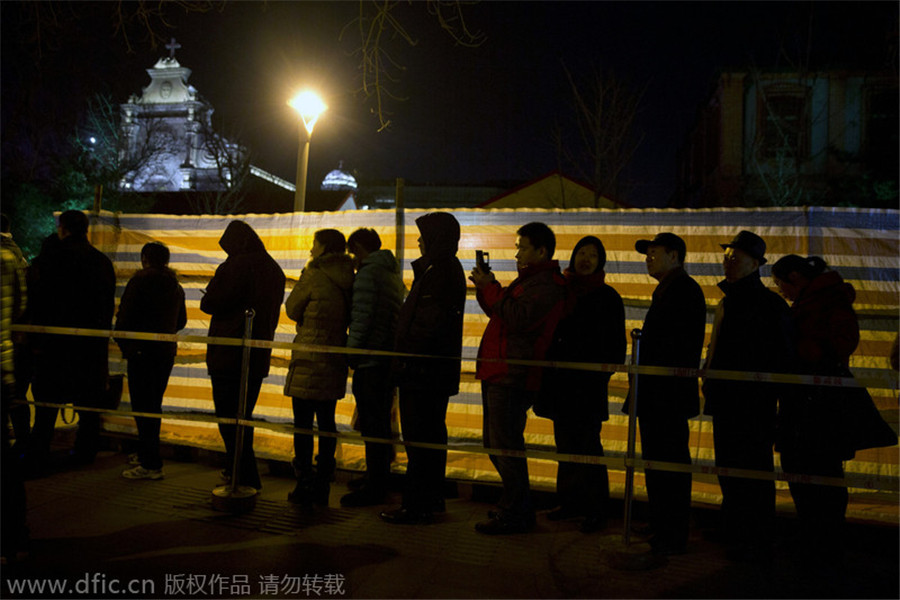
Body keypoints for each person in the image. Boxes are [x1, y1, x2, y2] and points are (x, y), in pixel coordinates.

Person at [702, 230, 793, 563]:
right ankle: (735, 526)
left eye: (735, 257)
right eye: (726, 256)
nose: (728, 262)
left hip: (754, 404)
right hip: (727, 399)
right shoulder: (729, 301)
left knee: (752, 468)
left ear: (755, 264)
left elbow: (782, 355)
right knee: (728, 465)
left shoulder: (769, 304)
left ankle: (757, 534)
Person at [469, 221, 566, 534]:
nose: (517, 253)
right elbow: (503, 312)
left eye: (523, 247)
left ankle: (517, 511)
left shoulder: (547, 283)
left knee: (506, 445)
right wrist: (488, 288)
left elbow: (519, 318)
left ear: (541, 250)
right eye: (517, 247)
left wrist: (491, 289)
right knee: (497, 443)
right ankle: (514, 505)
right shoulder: (531, 280)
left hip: (514, 374)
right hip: (500, 370)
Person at [771, 255, 866, 565]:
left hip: (820, 402)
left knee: (821, 471)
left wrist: (806, 350)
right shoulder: (818, 299)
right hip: (806, 399)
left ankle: (825, 542)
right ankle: (815, 537)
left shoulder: (828, 301)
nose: (781, 290)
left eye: (781, 283)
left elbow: (843, 341)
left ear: (795, 277)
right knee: (805, 468)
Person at [380, 212, 467, 525]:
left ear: (436, 239)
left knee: (419, 439)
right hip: (429, 371)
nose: (418, 241)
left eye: (424, 236)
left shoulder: (440, 271)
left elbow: (427, 324)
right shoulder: (441, 269)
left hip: (422, 371)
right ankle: (430, 500)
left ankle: (417, 505)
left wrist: (404, 358)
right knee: (428, 437)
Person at [536, 235, 625, 534]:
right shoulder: (561, 292)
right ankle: (570, 502)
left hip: (586, 388)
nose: (585, 259)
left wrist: (597, 375)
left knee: (588, 448)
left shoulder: (608, 297)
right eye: (581, 253)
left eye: (593, 255)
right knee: (566, 446)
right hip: (560, 385)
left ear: (601, 262)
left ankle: (597, 509)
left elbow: (615, 347)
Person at [627, 232, 706, 555]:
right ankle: (662, 522)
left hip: (666, 395)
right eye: (647, 254)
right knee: (658, 462)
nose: (649, 258)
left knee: (668, 462)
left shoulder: (683, 290)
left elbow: (675, 345)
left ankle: (671, 530)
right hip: (658, 392)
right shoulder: (670, 289)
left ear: (675, 256)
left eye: (654, 252)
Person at [27, 210, 116, 470]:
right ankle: (85, 452)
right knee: (88, 406)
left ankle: (39, 453)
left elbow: (39, 301)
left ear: (63, 229)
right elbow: (105, 307)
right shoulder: (101, 262)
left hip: (54, 346)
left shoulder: (51, 260)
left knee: (46, 406)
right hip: (90, 347)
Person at [200, 220, 285, 491]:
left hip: (228, 353)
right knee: (243, 417)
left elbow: (211, 303)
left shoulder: (235, 266)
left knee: (228, 418)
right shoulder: (274, 269)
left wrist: (211, 294)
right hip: (258, 354)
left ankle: (245, 477)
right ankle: (238, 470)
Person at [283, 229, 355, 506]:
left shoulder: (314, 274)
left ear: (323, 247)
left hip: (308, 359)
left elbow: (291, 309)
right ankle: (324, 480)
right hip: (334, 358)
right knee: (326, 423)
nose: (311, 249)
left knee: (302, 425)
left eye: (314, 243)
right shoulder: (350, 277)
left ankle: (303, 481)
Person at [341, 228, 405, 507]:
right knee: (378, 423)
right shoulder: (390, 273)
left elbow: (362, 317)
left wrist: (351, 354)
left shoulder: (369, 273)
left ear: (358, 247)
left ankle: (375, 486)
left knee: (372, 425)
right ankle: (377, 477)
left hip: (370, 359)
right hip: (385, 358)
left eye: (352, 251)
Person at [114, 242, 187, 480]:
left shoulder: (139, 282)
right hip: (165, 353)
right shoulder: (175, 286)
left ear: (145, 258)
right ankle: (147, 452)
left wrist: (128, 345)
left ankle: (151, 463)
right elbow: (182, 320)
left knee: (142, 405)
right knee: (153, 404)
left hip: (141, 353)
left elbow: (124, 318)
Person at [1, 216, 28, 562]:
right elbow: (21, 307)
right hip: (2, 367)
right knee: (6, 464)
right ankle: (14, 537)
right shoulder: (11, 260)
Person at [1, 214, 30, 453]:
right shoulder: (16, 256)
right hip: (8, 345)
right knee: (14, 395)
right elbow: (22, 303)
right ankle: (22, 441)